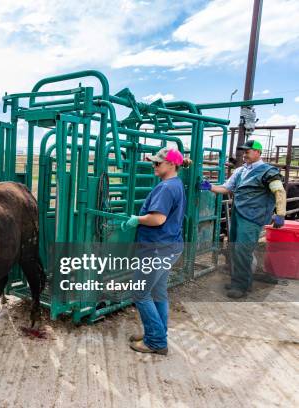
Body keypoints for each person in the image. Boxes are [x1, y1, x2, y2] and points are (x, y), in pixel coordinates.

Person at [121, 147, 190, 355]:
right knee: (158, 292)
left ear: (171, 164)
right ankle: (157, 331)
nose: (154, 165)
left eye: (157, 163)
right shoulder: (175, 184)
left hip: (157, 248)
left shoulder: (166, 188)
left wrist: (137, 220)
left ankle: (156, 341)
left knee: (140, 293)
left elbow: (158, 219)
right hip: (169, 246)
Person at [200, 139, 286, 298]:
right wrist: (210, 186)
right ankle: (238, 281)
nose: (244, 154)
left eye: (248, 151)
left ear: (258, 153)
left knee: (243, 250)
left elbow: (279, 192)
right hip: (239, 214)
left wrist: (280, 213)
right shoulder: (240, 171)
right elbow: (226, 188)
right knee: (234, 247)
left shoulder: (268, 172)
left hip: (253, 217)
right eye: (243, 151)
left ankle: (241, 286)